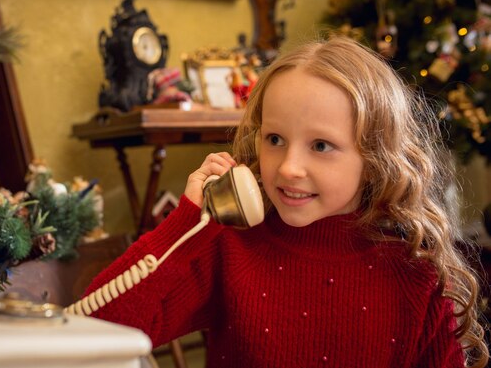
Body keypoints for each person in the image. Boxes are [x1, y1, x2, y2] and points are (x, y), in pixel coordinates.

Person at [71, 36, 489, 367]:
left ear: (375, 156)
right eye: (275, 139)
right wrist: (186, 226)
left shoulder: (417, 275)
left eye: (321, 145)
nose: (288, 167)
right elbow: (92, 334)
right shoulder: (230, 246)